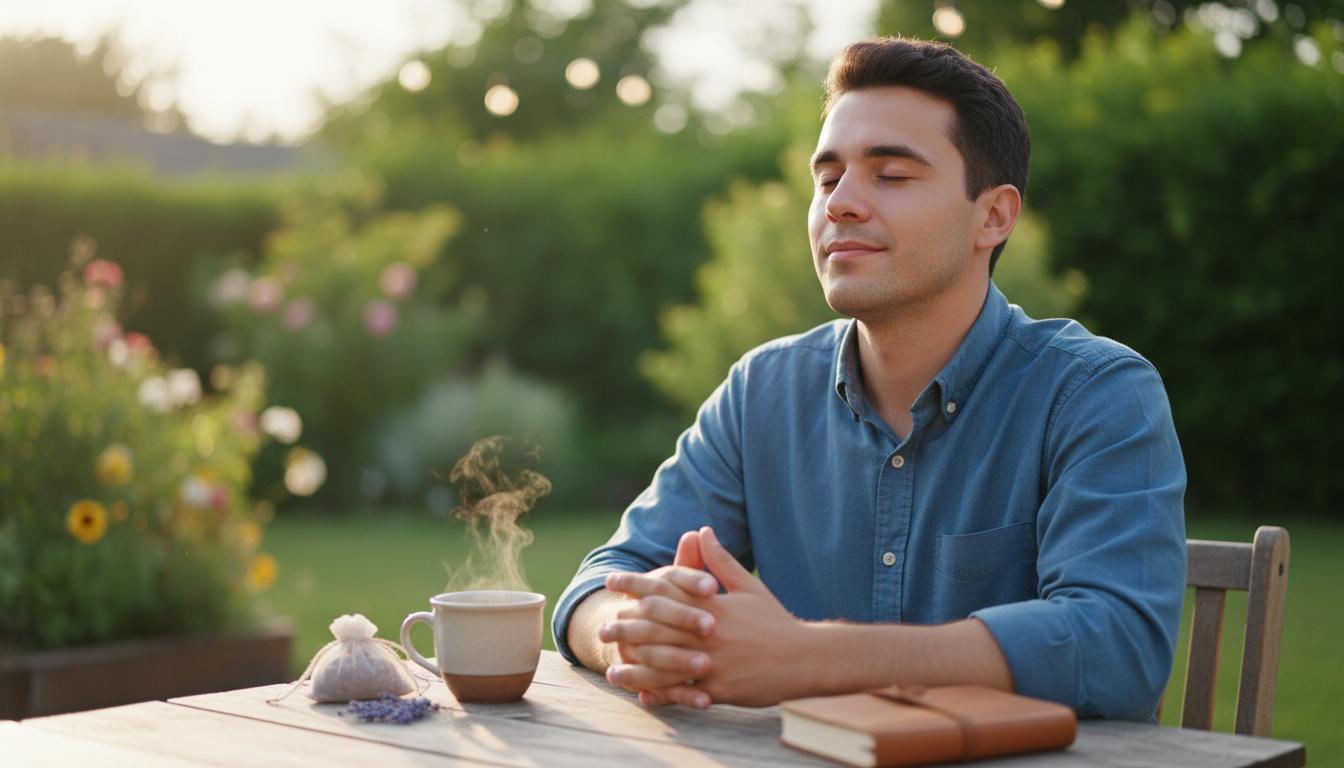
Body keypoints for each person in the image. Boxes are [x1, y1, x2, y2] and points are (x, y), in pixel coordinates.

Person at [552, 36, 1186, 721]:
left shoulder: (1095, 393)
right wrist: (637, 635)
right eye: (827, 178)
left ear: (993, 216)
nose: (840, 204)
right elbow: (602, 582)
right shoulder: (761, 392)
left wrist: (808, 658)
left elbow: (1118, 648)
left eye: (891, 174)